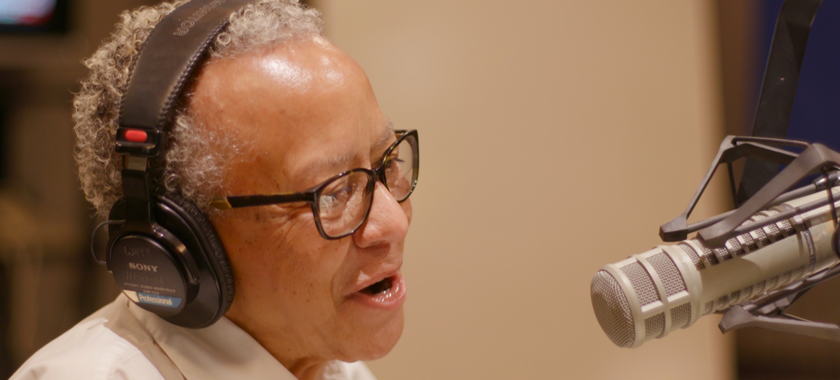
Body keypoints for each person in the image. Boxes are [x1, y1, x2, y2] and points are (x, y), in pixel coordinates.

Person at [11, 0, 418, 379]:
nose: (393, 222)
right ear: (181, 242)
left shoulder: (336, 368)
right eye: (335, 192)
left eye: (389, 162)